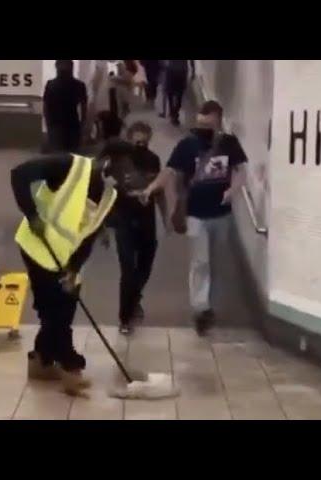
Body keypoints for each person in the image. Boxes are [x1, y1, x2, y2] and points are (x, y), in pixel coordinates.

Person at [10, 141, 139, 395]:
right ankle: (70, 367)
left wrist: (74, 268)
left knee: (65, 305)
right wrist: (32, 214)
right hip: (38, 246)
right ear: (110, 160)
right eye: (127, 168)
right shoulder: (68, 165)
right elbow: (19, 174)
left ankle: (41, 361)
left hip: (65, 258)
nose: (129, 175)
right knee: (55, 309)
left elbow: (88, 235)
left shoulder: (109, 195)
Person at [140, 100, 248, 336]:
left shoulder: (229, 143)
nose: (203, 129)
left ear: (219, 121)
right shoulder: (188, 145)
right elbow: (169, 171)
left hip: (222, 213)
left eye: (208, 124)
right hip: (195, 213)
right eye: (200, 124)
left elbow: (241, 169)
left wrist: (234, 189)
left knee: (217, 262)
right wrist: (150, 188)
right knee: (201, 262)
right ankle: (201, 307)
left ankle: (211, 305)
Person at [107, 122, 166, 335]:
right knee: (128, 270)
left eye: (144, 139)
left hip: (147, 222)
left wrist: (166, 218)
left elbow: (159, 190)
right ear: (129, 138)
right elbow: (105, 190)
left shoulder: (153, 160)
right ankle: (125, 317)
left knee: (145, 265)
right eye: (136, 139)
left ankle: (135, 296)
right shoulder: (119, 161)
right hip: (124, 221)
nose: (140, 143)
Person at [43, 60, 88, 153]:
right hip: (70, 124)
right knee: (71, 155)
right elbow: (84, 107)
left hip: (58, 124)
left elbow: (46, 106)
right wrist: (82, 125)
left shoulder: (51, 84)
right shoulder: (79, 85)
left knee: (59, 154)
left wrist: (48, 124)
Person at [164, 60, 189, 126]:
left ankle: (173, 113)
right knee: (178, 95)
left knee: (171, 94)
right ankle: (174, 113)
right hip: (180, 71)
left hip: (172, 70)